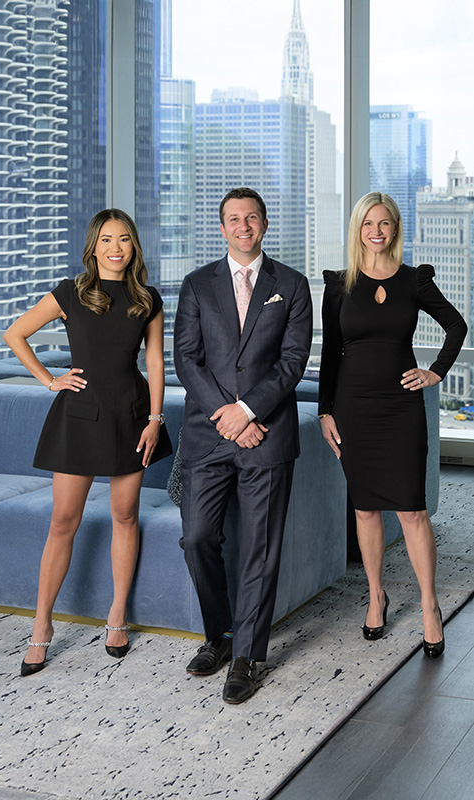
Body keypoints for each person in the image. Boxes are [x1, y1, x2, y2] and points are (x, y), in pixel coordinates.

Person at [4, 208, 171, 677]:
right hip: (79, 417)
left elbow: (155, 362)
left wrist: (155, 419)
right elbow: (15, 333)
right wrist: (49, 380)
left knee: (125, 515)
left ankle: (117, 616)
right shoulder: (70, 292)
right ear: (93, 247)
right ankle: (42, 624)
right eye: (107, 240)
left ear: (134, 246)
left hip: (131, 416)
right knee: (63, 521)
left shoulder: (147, 299)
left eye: (124, 239)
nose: (116, 248)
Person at [174, 187, 312, 703]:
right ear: (222, 227)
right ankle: (221, 635)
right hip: (209, 435)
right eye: (233, 218)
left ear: (265, 224)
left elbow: (292, 362)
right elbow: (187, 359)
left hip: (267, 436)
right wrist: (230, 418)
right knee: (196, 538)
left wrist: (249, 411)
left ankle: (248, 657)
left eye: (251, 217)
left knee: (260, 549)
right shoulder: (196, 284)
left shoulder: (291, 285)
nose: (243, 225)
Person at [319, 192, 467, 658]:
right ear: (358, 229)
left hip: (401, 409)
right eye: (368, 223)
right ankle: (376, 595)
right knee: (365, 510)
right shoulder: (339, 285)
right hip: (353, 409)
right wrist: (325, 412)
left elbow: (457, 326)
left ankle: (429, 604)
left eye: (384, 223)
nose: (376, 231)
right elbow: (330, 354)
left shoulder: (413, 280)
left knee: (412, 510)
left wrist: (436, 372)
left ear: (395, 228)